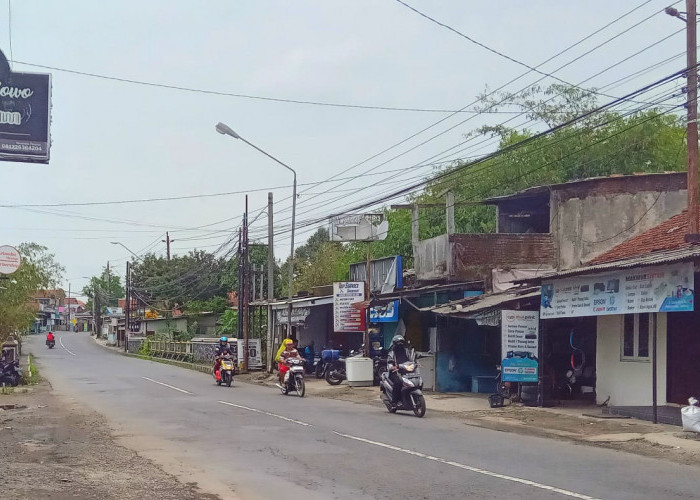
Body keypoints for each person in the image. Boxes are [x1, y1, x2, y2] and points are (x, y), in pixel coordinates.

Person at [387, 335, 413, 404]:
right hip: (395, 372)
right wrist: (392, 367)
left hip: (406, 370)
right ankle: (395, 400)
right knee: (398, 382)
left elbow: (412, 359)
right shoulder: (392, 353)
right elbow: (389, 363)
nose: (400, 344)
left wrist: (416, 363)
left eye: (401, 342)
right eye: (398, 343)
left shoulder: (407, 351)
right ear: (395, 343)